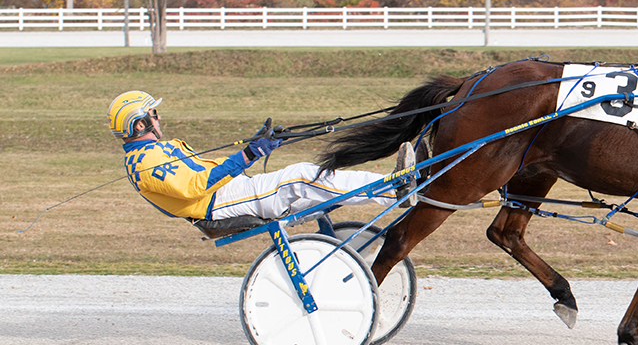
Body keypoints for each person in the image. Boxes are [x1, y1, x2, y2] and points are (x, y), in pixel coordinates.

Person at [108, 90, 415, 227]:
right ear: (139, 124)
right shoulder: (145, 162)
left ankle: (392, 188)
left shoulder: (155, 151)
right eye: (153, 114)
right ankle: (395, 190)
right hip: (218, 204)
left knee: (307, 176)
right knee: (302, 177)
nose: (159, 117)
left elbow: (207, 173)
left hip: (230, 192)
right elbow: (195, 187)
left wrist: (258, 145)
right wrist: (250, 153)